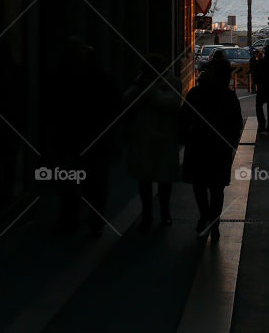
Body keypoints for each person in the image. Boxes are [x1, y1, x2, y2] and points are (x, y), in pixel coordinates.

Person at [46, 38, 120, 238]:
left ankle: (70, 220)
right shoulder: (104, 80)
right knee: (95, 185)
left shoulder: (65, 80)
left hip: (74, 139)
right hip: (94, 140)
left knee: (72, 181)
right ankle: (94, 223)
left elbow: (55, 110)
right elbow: (116, 110)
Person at [181, 49, 244, 242]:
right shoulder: (228, 96)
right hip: (220, 148)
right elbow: (236, 123)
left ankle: (204, 215)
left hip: (198, 146)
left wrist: (186, 137)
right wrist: (231, 143)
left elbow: (184, 118)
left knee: (199, 185)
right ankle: (214, 222)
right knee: (217, 189)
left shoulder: (195, 93)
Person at [122, 57, 183, 229]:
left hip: (163, 137)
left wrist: (147, 90)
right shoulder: (141, 83)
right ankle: (147, 214)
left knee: (163, 180)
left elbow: (169, 103)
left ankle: (165, 213)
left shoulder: (171, 82)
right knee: (146, 178)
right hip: (146, 138)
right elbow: (127, 100)